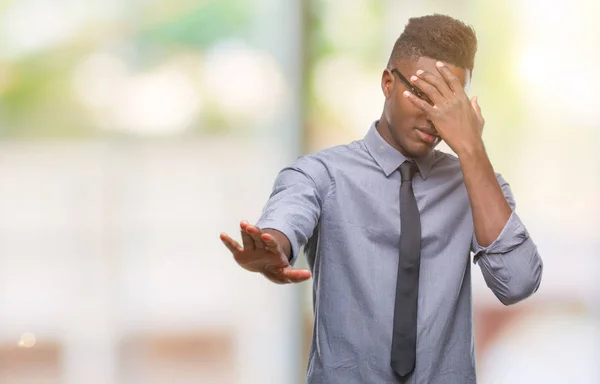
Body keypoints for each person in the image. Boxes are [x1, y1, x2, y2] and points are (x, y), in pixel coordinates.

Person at [219, 14, 543, 384]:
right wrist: (274, 245)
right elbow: (288, 215)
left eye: (447, 102)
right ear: (388, 83)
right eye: (421, 93)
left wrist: (471, 149)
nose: (432, 115)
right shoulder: (322, 175)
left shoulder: (477, 183)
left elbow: (517, 283)